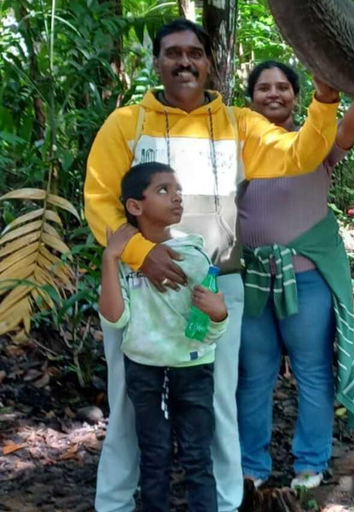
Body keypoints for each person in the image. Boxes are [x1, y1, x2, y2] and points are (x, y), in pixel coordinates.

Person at [84, 20, 340, 512]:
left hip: (217, 290)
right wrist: (141, 253)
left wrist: (325, 102)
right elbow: (99, 200)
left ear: (210, 63)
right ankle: (113, 505)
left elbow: (300, 153)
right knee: (128, 406)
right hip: (140, 288)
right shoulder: (126, 124)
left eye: (195, 53)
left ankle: (224, 504)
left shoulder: (238, 125)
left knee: (219, 400)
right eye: (173, 53)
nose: (185, 62)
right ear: (156, 62)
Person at [236, 60, 354, 490]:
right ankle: (248, 466)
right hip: (251, 279)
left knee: (312, 370)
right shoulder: (233, 146)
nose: (273, 94)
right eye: (263, 88)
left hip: (307, 279)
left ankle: (310, 463)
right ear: (251, 97)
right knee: (254, 373)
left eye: (282, 87)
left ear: (298, 96)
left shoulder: (316, 142)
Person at [99, 162, 228, 512]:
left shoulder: (194, 257)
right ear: (134, 206)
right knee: (153, 458)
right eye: (163, 190)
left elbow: (207, 329)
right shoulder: (126, 262)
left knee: (197, 457)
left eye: (178, 191)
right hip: (146, 371)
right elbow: (115, 318)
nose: (177, 198)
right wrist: (111, 259)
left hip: (193, 370)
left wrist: (218, 313)